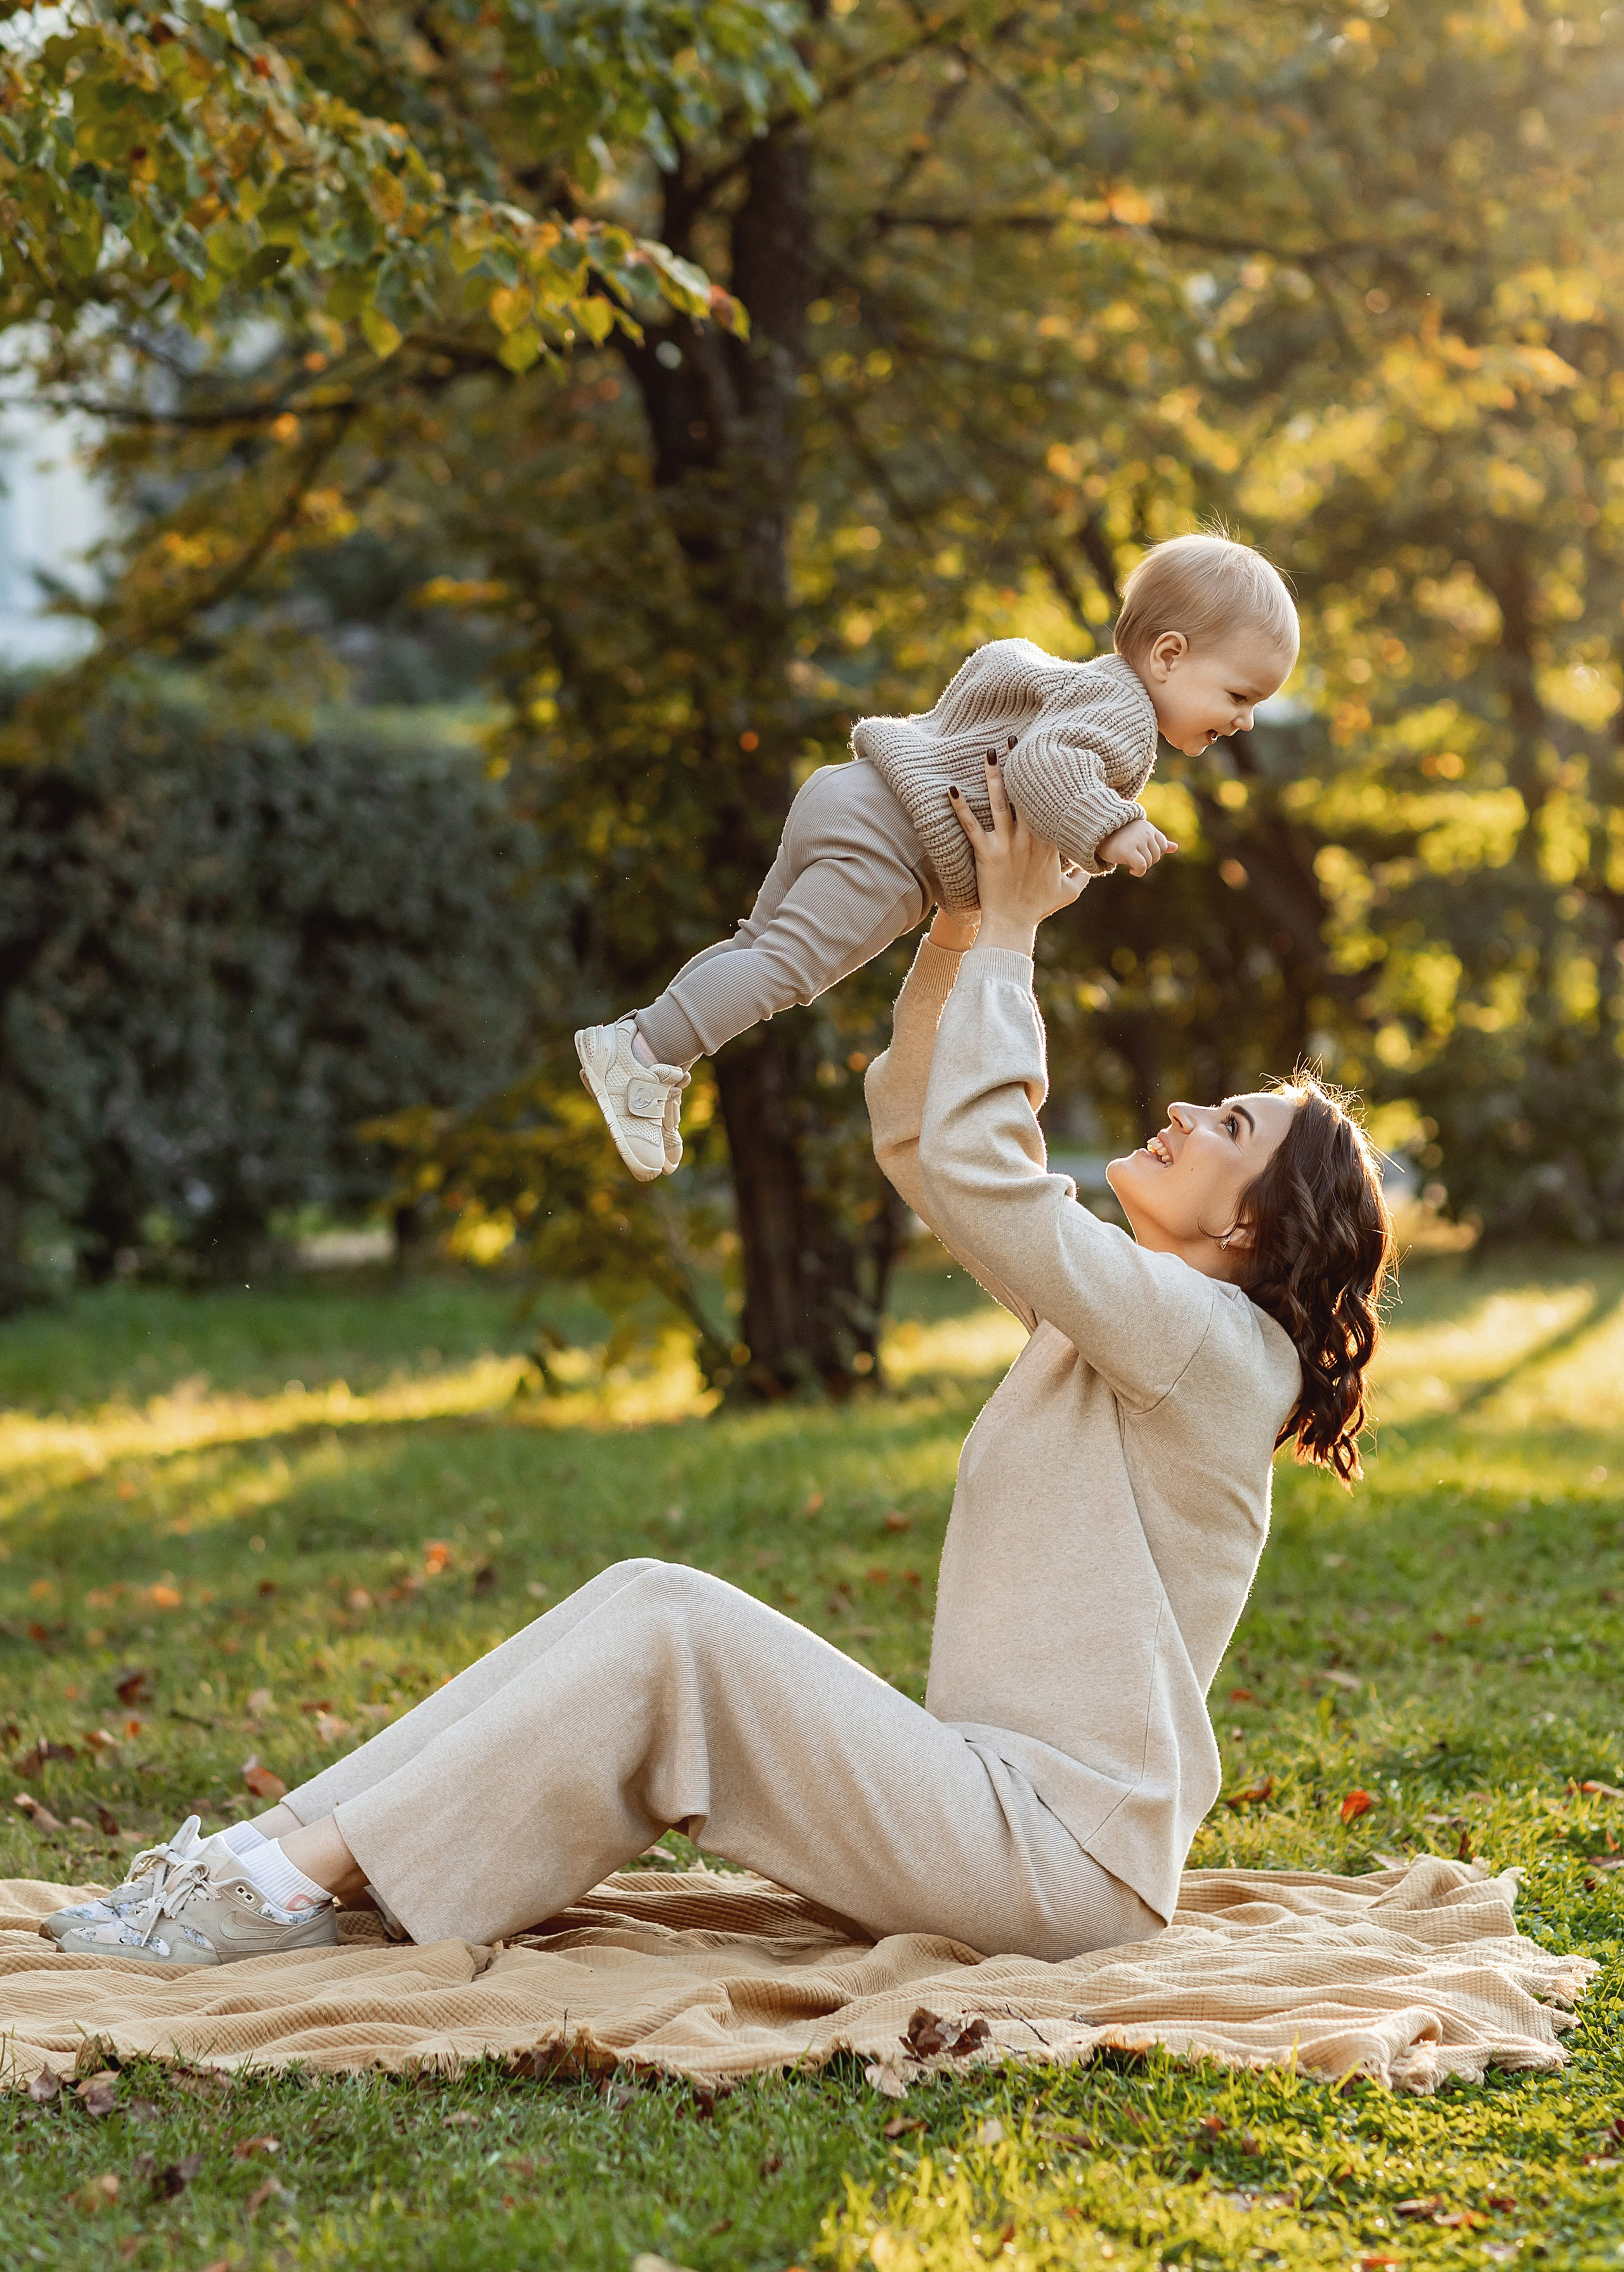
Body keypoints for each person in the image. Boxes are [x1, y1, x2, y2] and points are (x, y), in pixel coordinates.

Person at [48, 759, 1391, 1969]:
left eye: (1226, 1124)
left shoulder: (1209, 1348)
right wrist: (960, 930)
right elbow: (931, 1152)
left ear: (1248, 1224)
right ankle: (262, 1866)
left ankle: (274, 1888)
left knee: (678, 1624)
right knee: (645, 1592)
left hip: (1055, 1865)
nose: (1178, 1111)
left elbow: (989, 1180)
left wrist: (1023, 932)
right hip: (976, 1802)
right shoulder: (1129, 1322)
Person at [574, 531, 1299, 1181]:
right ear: (1169, 655)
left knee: (756, 946)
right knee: (785, 970)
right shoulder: (1125, 714)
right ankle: (642, 1053)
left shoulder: (1082, 684)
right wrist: (1111, 826)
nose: (1245, 720)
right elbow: (1043, 767)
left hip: (853, 794)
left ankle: (652, 1048)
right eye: (1239, 693)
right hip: (894, 845)